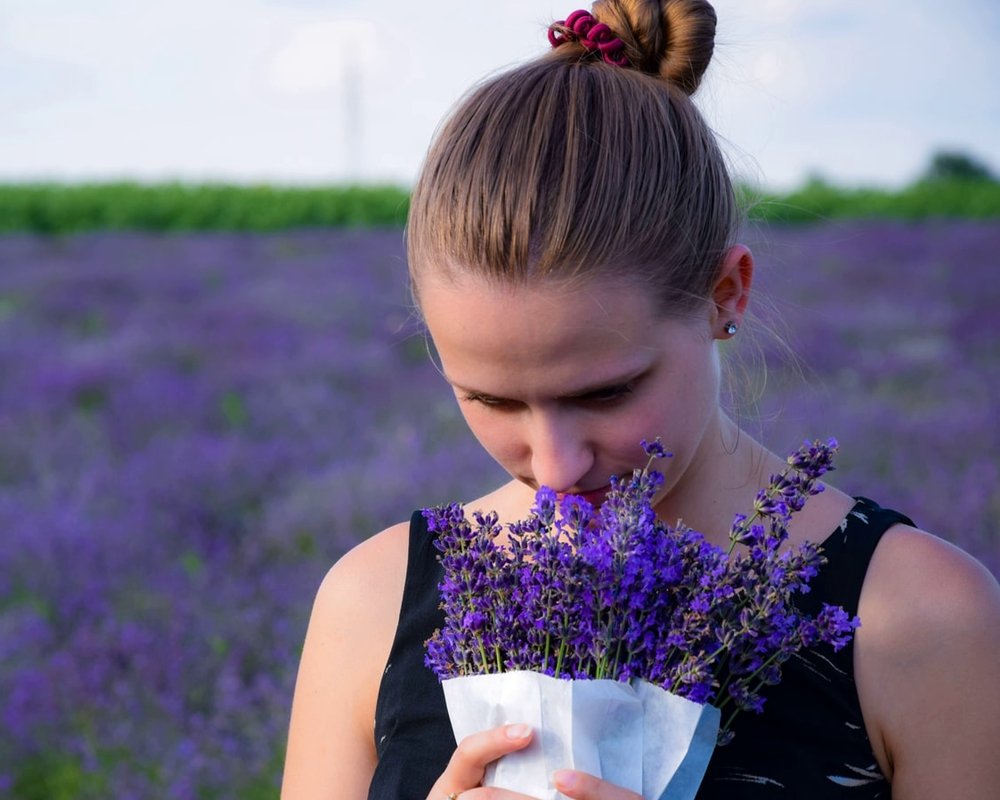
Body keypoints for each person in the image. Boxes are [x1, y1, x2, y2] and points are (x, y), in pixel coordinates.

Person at [280, 2, 1000, 798]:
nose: (555, 467)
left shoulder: (924, 619)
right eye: (491, 399)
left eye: (607, 391)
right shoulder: (373, 603)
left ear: (726, 294)